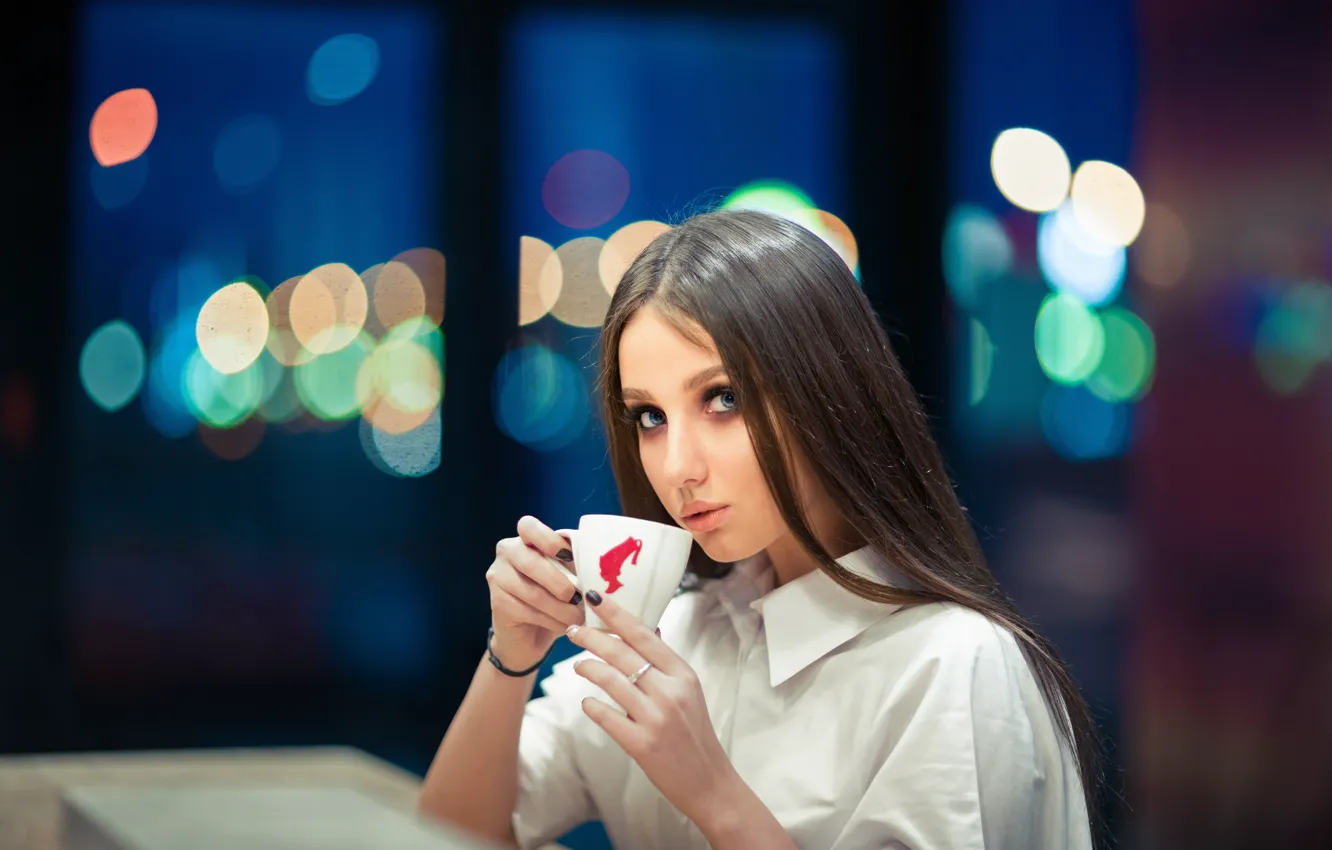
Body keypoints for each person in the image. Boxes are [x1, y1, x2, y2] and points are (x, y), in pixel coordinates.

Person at [418, 209, 1100, 849]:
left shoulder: (953, 663)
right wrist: (510, 656)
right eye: (649, 417)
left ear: (829, 395)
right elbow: (449, 836)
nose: (678, 467)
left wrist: (714, 794)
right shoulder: (679, 632)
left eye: (724, 399)